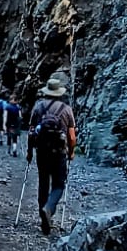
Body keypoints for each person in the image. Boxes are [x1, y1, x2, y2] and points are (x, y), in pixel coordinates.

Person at [26, 73, 77, 236]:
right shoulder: (66, 109)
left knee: (43, 183)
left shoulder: (38, 107)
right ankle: (49, 208)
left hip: (42, 152)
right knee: (59, 184)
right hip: (59, 152)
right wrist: (71, 151)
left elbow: (31, 131)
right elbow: (71, 135)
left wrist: (29, 151)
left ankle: (44, 219)